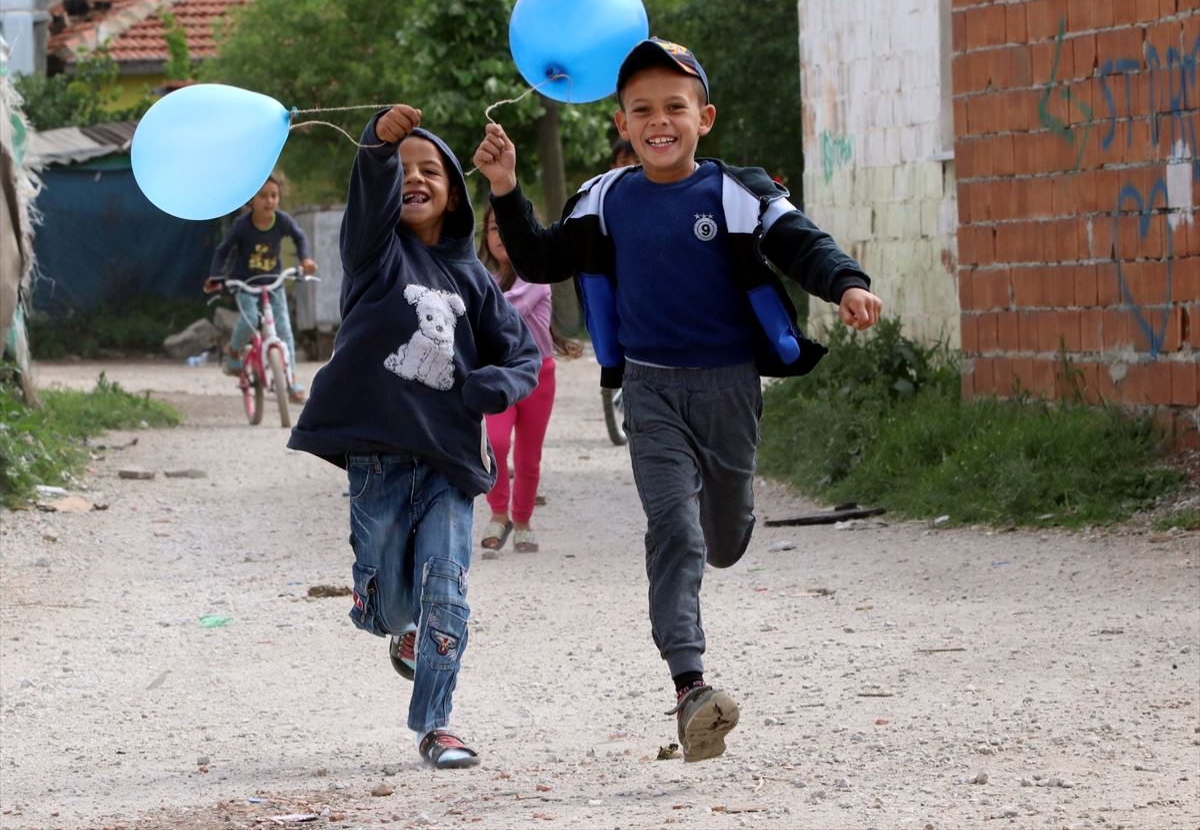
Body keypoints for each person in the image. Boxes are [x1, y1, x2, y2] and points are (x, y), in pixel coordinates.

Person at [473, 38, 883, 763]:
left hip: (728, 387)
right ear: (622, 124)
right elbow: (537, 257)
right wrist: (505, 188)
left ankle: (732, 512)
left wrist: (846, 283)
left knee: (722, 539)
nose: (658, 121)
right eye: (642, 110)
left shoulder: (737, 193)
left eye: (674, 107)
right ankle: (691, 687)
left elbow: (800, 243)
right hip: (650, 385)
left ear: (705, 117)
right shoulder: (603, 201)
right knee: (674, 527)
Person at [287, 105, 540, 769]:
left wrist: (496, 387)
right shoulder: (373, 254)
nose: (414, 177)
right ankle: (394, 626)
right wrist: (377, 144)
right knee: (390, 604)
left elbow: (522, 356)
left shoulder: (474, 279)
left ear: (454, 193)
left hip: (451, 463)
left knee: (446, 588)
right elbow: (370, 189)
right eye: (403, 171)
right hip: (377, 460)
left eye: (431, 170)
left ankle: (437, 724)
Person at [476, 205, 581, 554]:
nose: (501, 236)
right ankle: (498, 513)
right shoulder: (484, 281)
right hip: (498, 375)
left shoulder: (536, 276)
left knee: (527, 456)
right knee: (495, 443)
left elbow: (506, 311)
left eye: (507, 228)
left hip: (538, 375)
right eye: (493, 229)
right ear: (485, 237)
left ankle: (522, 520)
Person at [204, 173, 316, 403]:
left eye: (274, 196)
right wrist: (216, 277)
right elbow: (223, 251)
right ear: (251, 201)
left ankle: (292, 381)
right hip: (245, 282)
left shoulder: (282, 221)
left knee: (284, 330)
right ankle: (234, 351)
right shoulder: (241, 226)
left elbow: (300, 237)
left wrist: (305, 260)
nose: (270, 201)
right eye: (263, 196)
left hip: (273, 282)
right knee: (250, 320)